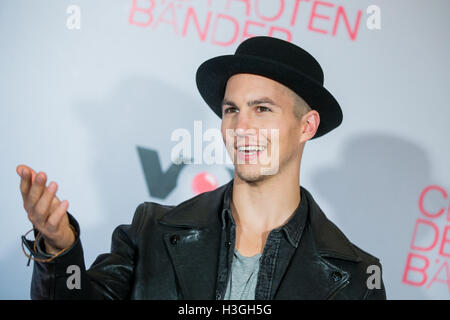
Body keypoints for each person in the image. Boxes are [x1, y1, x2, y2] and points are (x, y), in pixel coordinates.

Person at [18, 36, 386, 300]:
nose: (241, 128)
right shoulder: (149, 232)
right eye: (231, 110)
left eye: (262, 109)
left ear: (307, 126)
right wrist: (59, 248)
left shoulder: (357, 277)